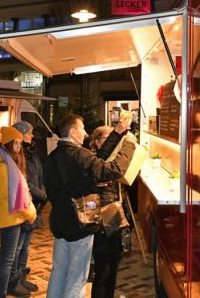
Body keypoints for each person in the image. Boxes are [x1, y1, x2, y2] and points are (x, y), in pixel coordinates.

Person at [44, 114, 134, 298]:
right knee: (77, 276)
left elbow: (96, 161)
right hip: (81, 223)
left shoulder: (53, 156)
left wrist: (117, 133)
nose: (85, 133)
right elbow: (113, 169)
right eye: (83, 128)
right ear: (73, 131)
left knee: (59, 270)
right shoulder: (80, 155)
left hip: (60, 222)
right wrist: (129, 145)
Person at [0, 126, 37, 297]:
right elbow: (15, 196)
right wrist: (31, 214)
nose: (19, 147)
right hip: (10, 217)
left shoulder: (7, 163)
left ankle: (0, 292)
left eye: (20, 143)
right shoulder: (4, 166)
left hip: (12, 216)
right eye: (16, 143)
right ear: (7, 144)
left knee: (8, 258)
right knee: (6, 259)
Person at [89, 125, 136, 298]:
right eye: (105, 138)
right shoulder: (95, 160)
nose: (110, 141)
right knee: (103, 270)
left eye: (112, 137)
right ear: (96, 142)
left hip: (116, 220)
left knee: (113, 266)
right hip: (102, 222)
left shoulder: (112, 160)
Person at [12, 121, 47, 292]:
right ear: (20, 134)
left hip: (35, 204)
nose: (32, 136)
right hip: (25, 203)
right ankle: (13, 281)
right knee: (17, 246)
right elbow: (24, 180)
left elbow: (40, 174)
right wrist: (41, 193)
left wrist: (43, 191)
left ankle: (21, 277)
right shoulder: (17, 153)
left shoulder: (32, 152)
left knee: (25, 245)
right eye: (29, 133)